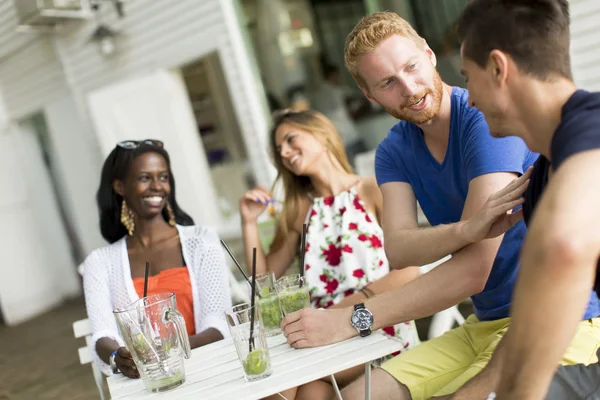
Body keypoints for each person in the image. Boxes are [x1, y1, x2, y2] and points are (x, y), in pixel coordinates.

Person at [280, 12, 600, 400]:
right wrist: (466, 230)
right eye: (388, 83)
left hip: (572, 325)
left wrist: (353, 319)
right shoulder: (398, 151)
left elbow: (484, 273)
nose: (410, 88)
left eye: (466, 76)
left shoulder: (531, 134)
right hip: (490, 325)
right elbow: (399, 251)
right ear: (371, 95)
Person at [441, 1, 600, 399]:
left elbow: (566, 249)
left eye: (468, 77)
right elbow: (535, 321)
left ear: (498, 68)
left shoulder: (591, 129)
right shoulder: (544, 174)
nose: (469, 99)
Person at [240, 109, 421, 399]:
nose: (284, 152)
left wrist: (337, 314)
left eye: (290, 140)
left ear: (321, 134)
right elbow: (263, 285)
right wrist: (249, 223)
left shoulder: (372, 189)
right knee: (308, 392)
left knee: (279, 386)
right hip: (320, 337)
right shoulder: (299, 210)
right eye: (279, 149)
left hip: (376, 323)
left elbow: (409, 271)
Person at [83, 139, 232, 378]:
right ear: (120, 187)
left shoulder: (201, 242)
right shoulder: (100, 262)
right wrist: (118, 357)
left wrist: (170, 350)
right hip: (150, 383)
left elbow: (218, 321)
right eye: (144, 178)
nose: (157, 186)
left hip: (212, 369)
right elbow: (103, 335)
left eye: (163, 177)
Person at [312, 63, 368, 165]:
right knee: (366, 165)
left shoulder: (318, 94)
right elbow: (357, 96)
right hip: (348, 135)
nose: (339, 78)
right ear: (333, 75)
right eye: (337, 76)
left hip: (335, 138)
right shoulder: (335, 91)